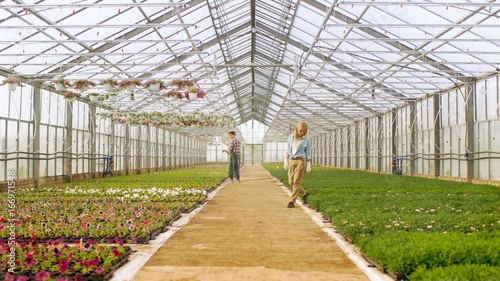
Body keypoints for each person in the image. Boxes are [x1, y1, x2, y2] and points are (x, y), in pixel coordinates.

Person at [284, 122, 311, 208]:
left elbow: (308, 152)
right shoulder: (291, 137)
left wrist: (308, 164)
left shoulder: (306, 140)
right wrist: (285, 160)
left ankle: (292, 201)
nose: (302, 133)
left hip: (301, 161)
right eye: (301, 131)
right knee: (291, 182)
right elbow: (288, 149)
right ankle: (304, 193)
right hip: (292, 160)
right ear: (296, 129)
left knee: (296, 182)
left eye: (304, 131)